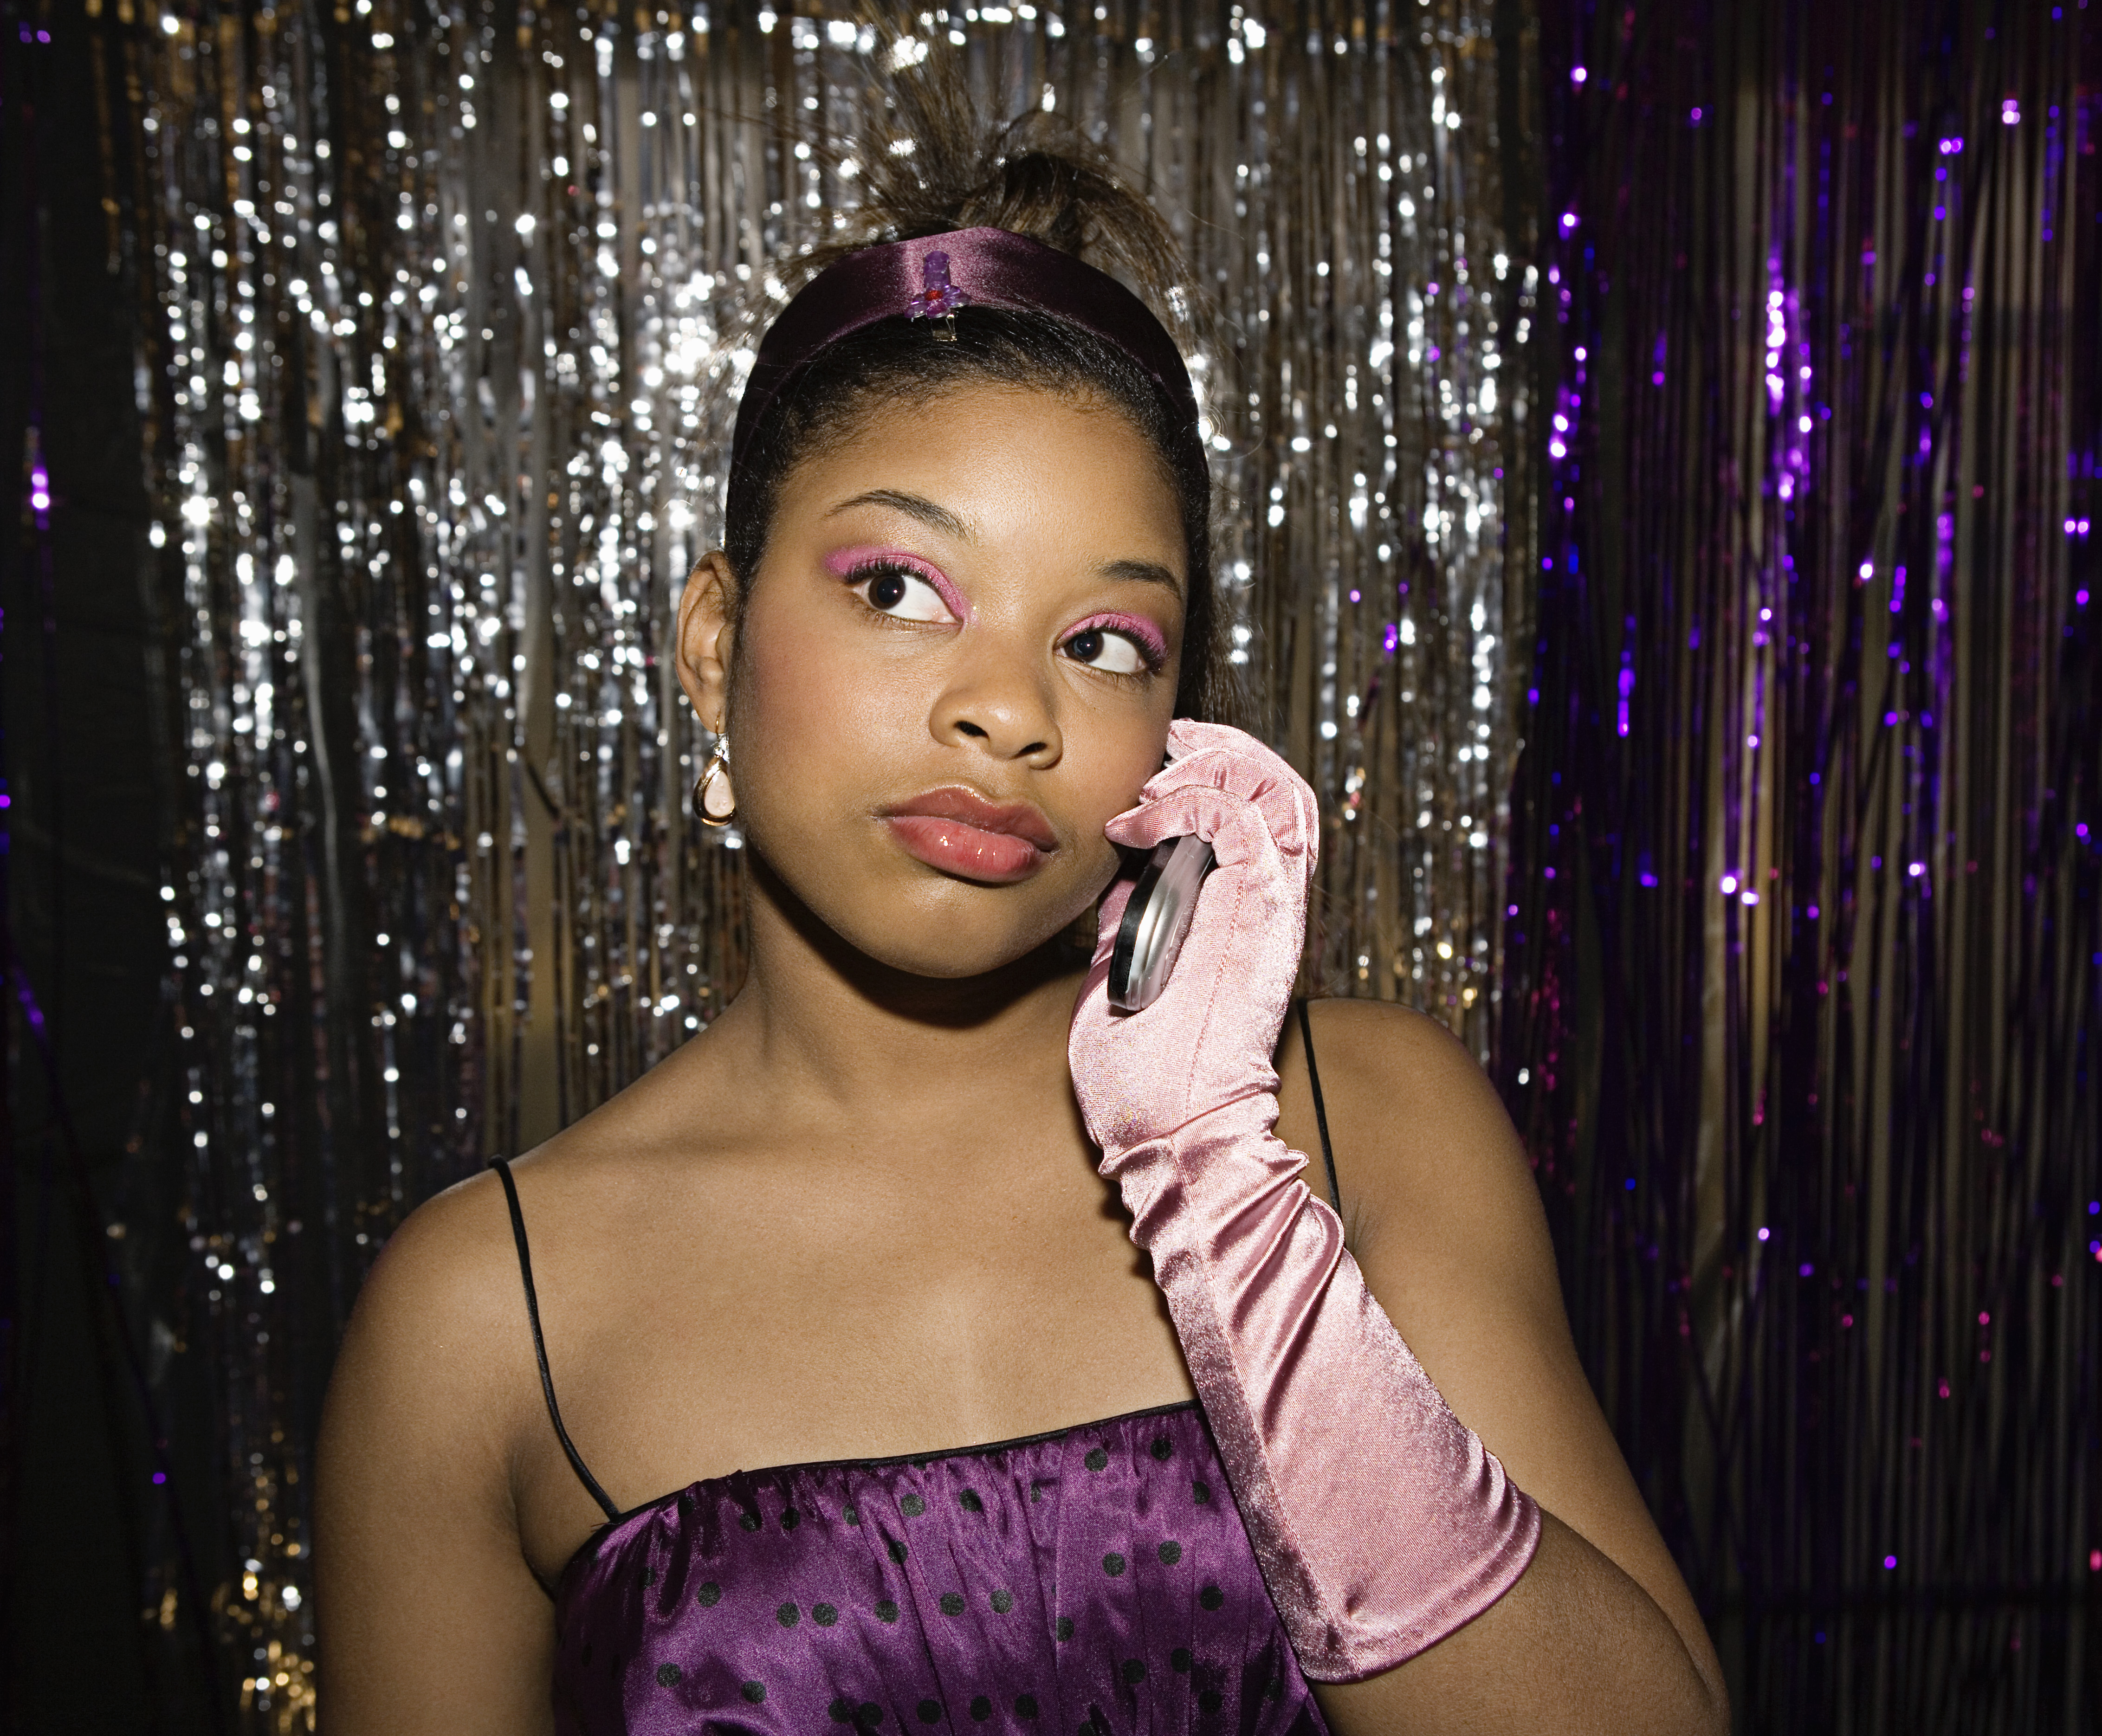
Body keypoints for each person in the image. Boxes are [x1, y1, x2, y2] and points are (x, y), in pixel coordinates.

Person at [315, 72, 1726, 1736]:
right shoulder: (483, 1318)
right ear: (713, 644)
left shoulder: (1368, 1126)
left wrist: (1217, 1192)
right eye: (901, 590)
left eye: (1101, 638)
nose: (1011, 711)